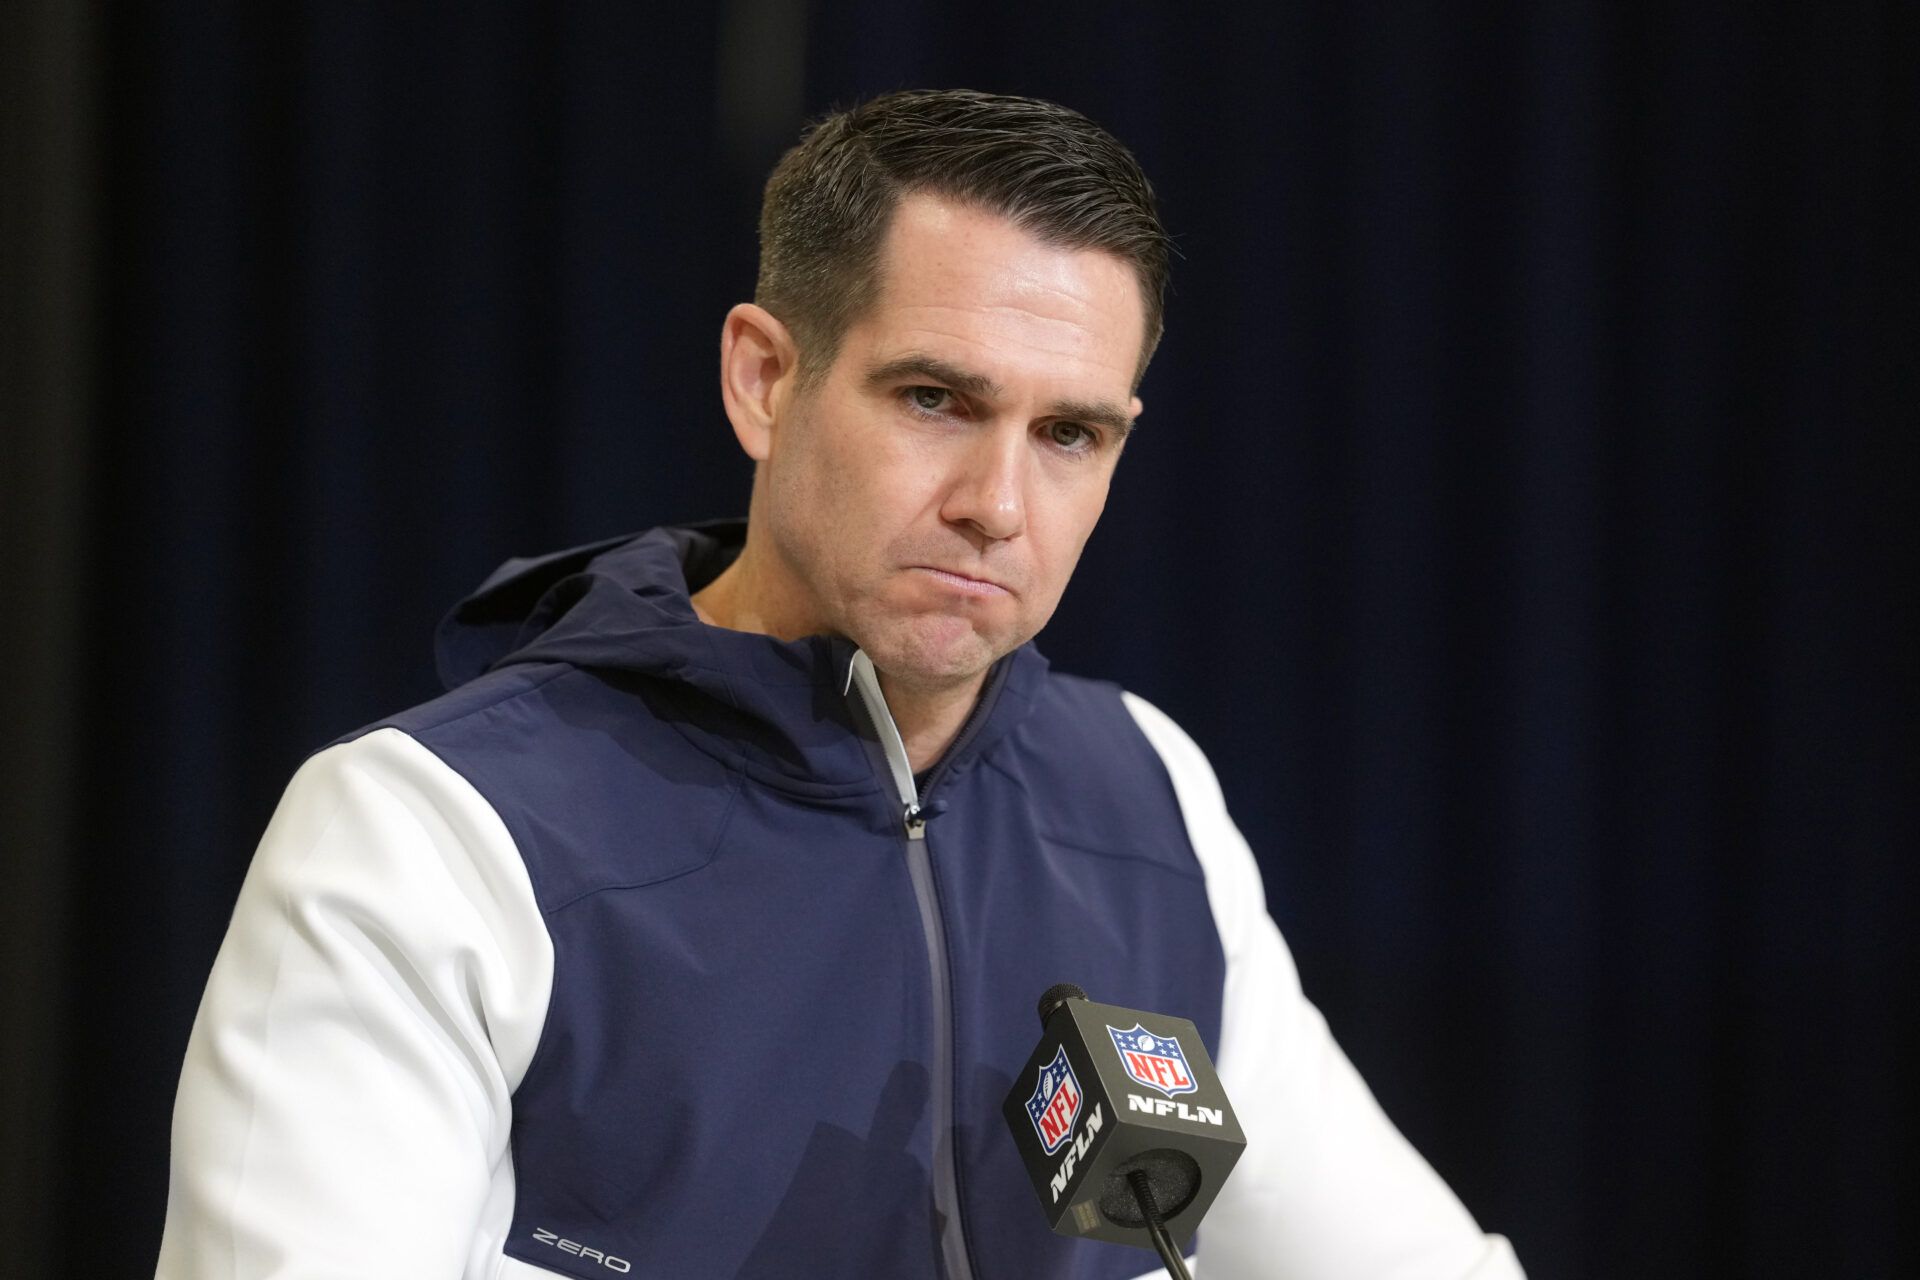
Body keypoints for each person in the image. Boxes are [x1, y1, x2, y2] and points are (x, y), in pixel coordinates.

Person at [156, 89, 1523, 1280]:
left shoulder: (1143, 797)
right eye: (935, 400)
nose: (998, 504)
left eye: (1068, 433)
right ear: (764, 379)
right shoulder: (430, 834)